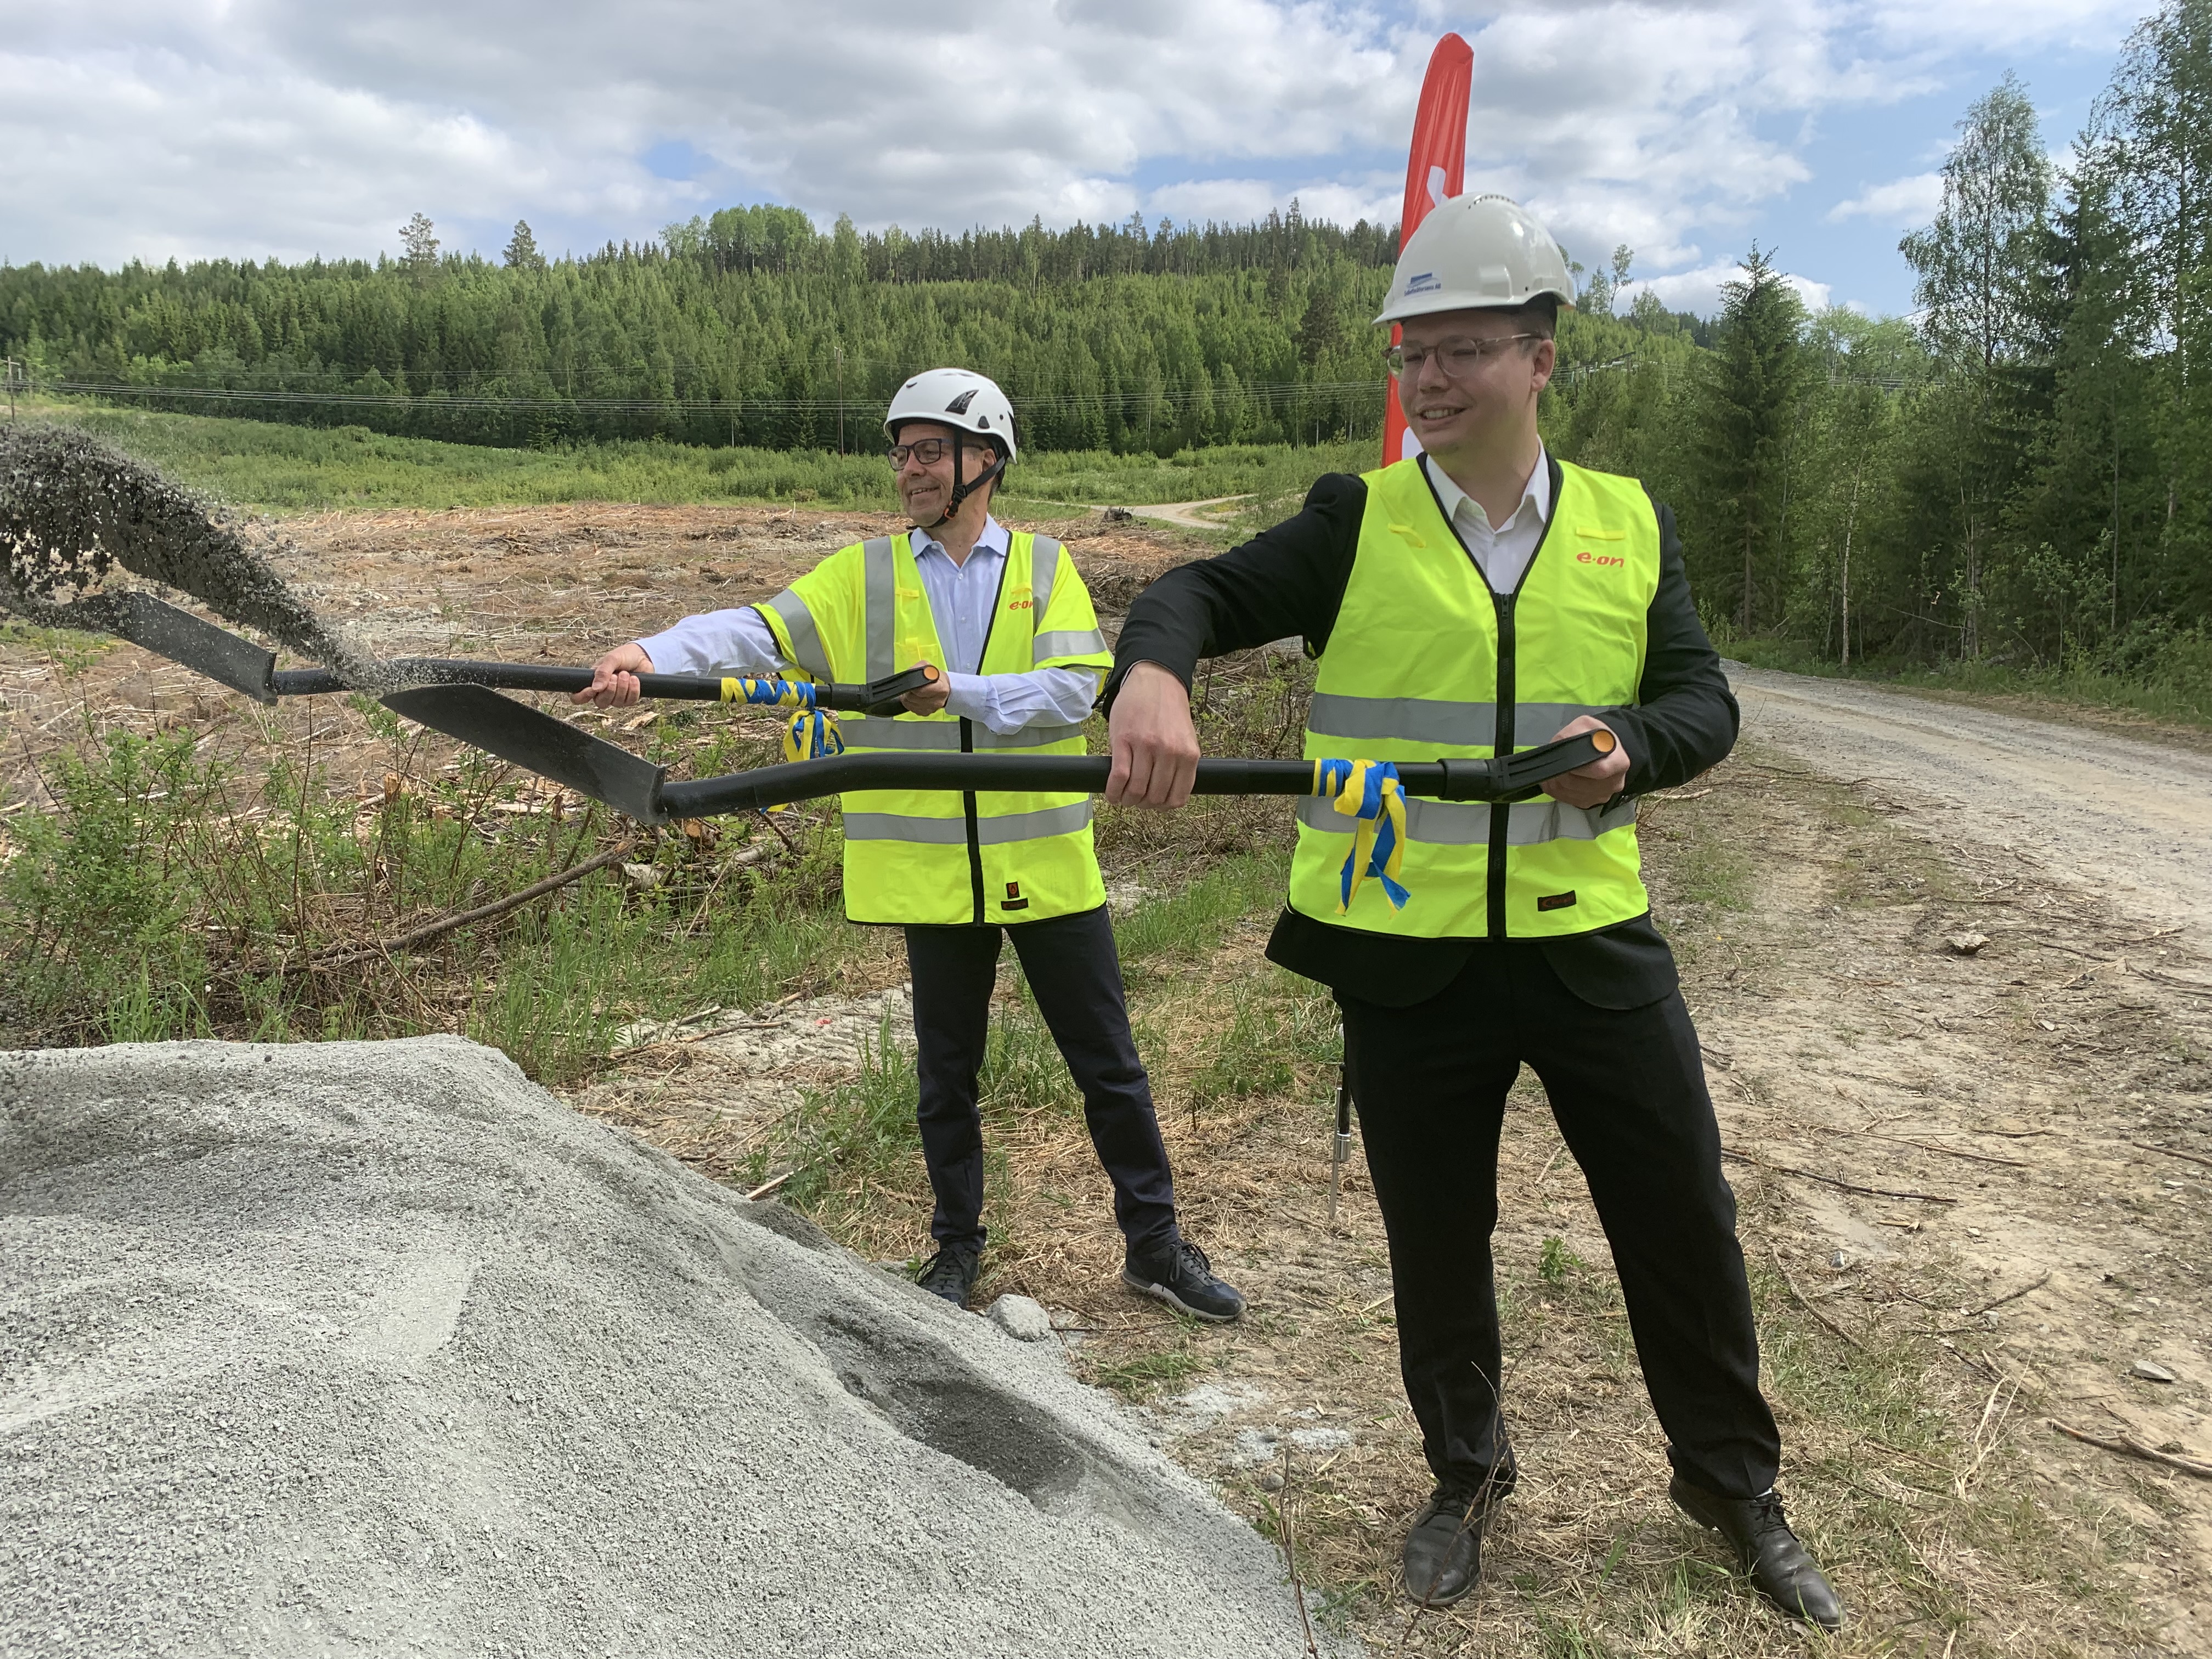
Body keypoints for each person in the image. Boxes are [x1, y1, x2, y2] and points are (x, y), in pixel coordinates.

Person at [1101, 198, 1842, 1628]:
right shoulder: (1354, 520)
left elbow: (1707, 702)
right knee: (1437, 1239)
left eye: (1462, 352)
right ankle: (1463, 1474)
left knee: (1682, 1218)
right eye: (1410, 356)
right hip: (1408, 959)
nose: (1429, 382)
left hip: (1587, 938)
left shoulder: (1629, 524)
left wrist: (1636, 746)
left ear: (1542, 357)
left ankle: (1732, 1484)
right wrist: (1155, 675)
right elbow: (1192, 593)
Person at [577, 368, 1245, 1324]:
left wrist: (956, 692)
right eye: (902, 453)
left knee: (1109, 1067)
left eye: (930, 451)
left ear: (987, 461)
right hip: (933, 876)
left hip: (1048, 869)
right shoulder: (863, 577)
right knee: (946, 1078)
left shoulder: (1047, 569)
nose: (910, 470)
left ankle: (1155, 1247)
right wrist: (652, 653)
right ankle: (955, 1251)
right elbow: (758, 632)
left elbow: (1071, 688)